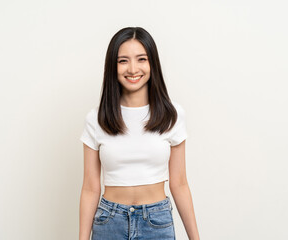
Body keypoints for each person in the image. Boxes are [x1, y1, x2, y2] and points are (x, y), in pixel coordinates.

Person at [79, 27, 200, 240]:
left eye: (141, 59)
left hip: (156, 222)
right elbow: (90, 187)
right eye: (123, 60)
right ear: (112, 67)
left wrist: (195, 238)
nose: (133, 69)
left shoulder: (173, 115)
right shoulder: (96, 118)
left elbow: (179, 183)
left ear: (152, 63)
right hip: (109, 223)